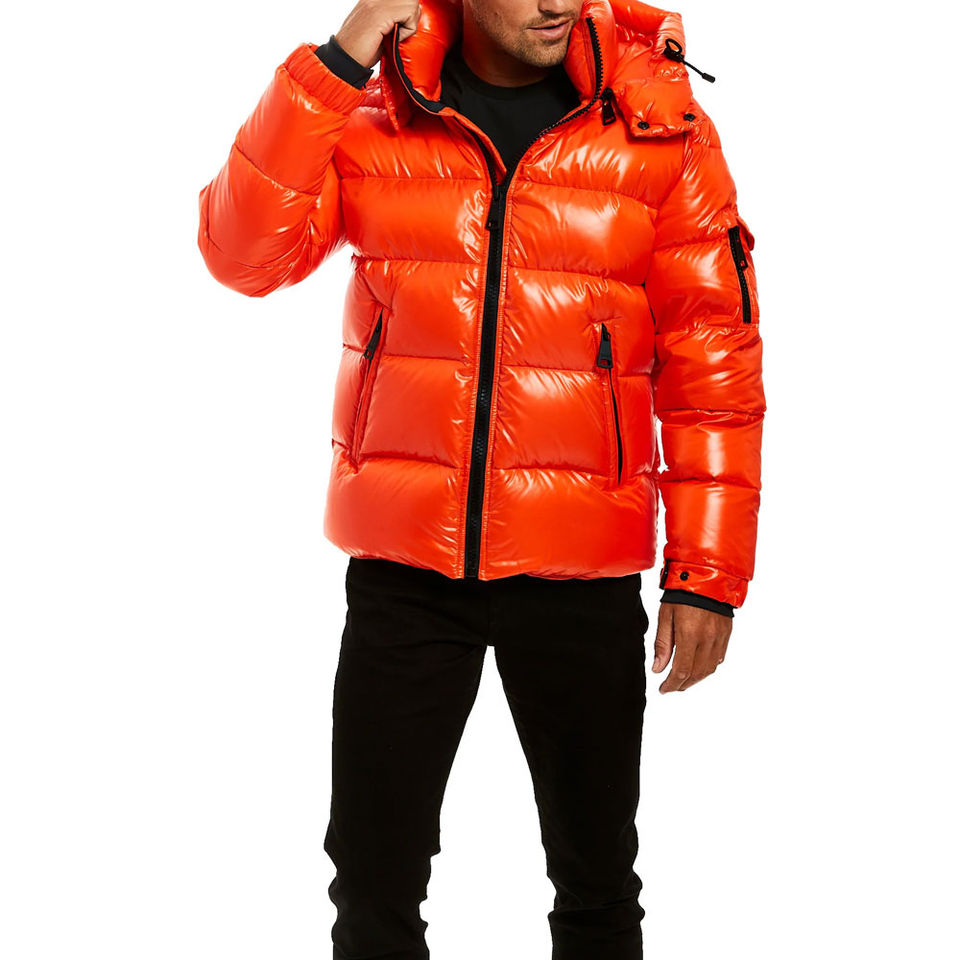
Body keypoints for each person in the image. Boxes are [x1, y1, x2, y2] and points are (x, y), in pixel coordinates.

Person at [197, 1, 765, 956]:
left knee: (596, 886)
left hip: (581, 565)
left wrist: (707, 573)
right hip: (406, 567)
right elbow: (240, 255)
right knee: (372, 885)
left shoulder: (656, 122)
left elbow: (713, 354)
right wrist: (338, 60)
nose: (556, 3)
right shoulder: (376, 107)